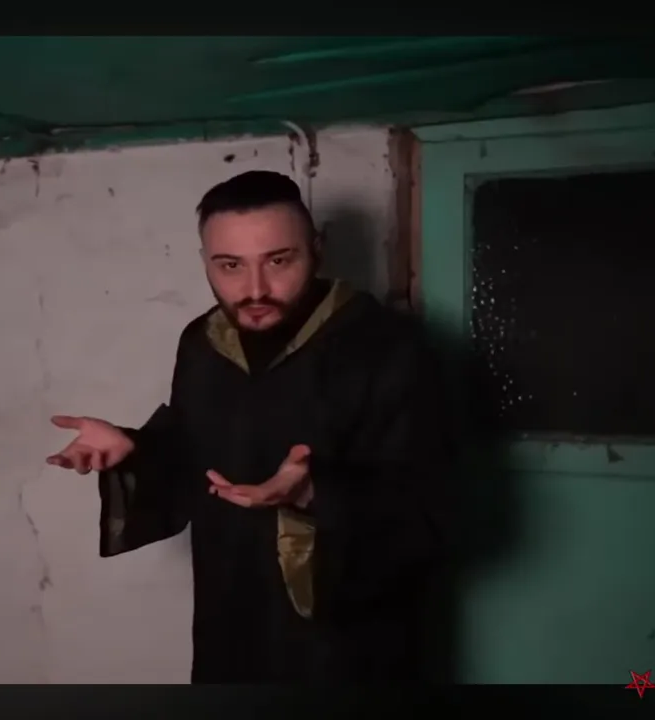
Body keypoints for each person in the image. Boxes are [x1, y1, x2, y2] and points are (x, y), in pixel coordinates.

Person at [47, 171, 452, 683]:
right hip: (230, 613)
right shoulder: (203, 343)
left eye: (279, 261)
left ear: (317, 250)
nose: (255, 289)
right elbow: (195, 456)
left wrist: (312, 491)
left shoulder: (387, 345)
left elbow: (434, 503)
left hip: (347, 635)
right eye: (230, 266)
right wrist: (136, 448)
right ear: (205, 262)